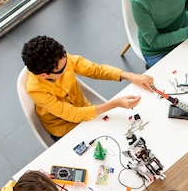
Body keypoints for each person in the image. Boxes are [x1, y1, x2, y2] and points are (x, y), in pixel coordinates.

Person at [21, 35, 155, 139]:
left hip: (87, 110)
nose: (68, 66)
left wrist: (130, 76)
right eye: (62, 69)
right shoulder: (36, 89)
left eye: (66, 60)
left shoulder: (61, 60)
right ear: (43, 75)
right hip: (64, 129)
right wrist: (115, 104)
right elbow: (72, 114)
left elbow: (95, 70)